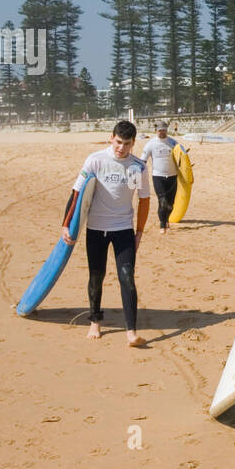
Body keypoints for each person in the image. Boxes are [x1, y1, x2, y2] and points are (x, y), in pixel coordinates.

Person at [65, 119, 151, 346]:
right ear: (111, 138)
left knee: (127, 279)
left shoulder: (138, 167)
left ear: (134, 144)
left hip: (123, 229)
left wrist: (139, 231)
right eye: (118, 142)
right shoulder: (95, 160)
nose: (121, 148)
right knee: (96, 276)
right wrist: (67, 225)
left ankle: (131, 332)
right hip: (95, 229)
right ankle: (95, 321)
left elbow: (144, 200)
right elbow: (77, 194)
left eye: (127, 144)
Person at [140, 120, 187, 235]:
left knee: (171, 204)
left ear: (167, 130)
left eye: (164, 130)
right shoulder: (151, 144)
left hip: (172, 177)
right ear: (156, 131)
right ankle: (162, 224)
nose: (162, 132)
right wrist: (139, 173)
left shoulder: (173, 143)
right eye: (160, 130)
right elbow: (143, 161)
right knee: (163, 201)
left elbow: (183, 157)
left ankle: (167, 222)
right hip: (158, 177)